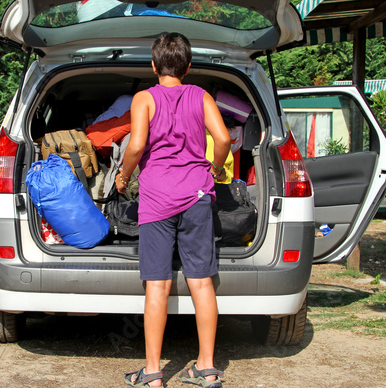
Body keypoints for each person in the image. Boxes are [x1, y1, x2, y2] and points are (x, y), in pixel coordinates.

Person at [117, 32, 231, 388]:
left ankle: (152, 373)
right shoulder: (201, 96)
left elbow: (136, 145)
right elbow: (224, 139)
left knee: (158, 285)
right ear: (189, 66)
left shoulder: (144, 99)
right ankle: (207, 368)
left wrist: (123, 176)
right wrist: (215, 166)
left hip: (156, 200)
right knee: (201, 282)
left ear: (153, 66)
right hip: (197, 196)